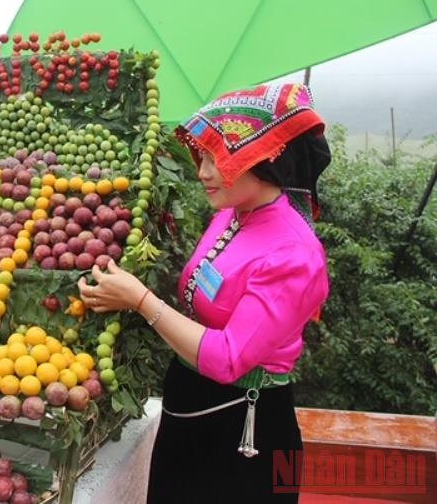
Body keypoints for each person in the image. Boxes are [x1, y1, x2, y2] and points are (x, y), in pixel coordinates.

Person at [79, 83, 331, 502]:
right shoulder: (234, 214)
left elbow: (229, 358)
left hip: (247, 433)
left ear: (265, 157)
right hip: (189, 411)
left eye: (217, 157)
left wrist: (141, 300)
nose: (203, 172)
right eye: (203, 156)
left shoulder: (295, 255)